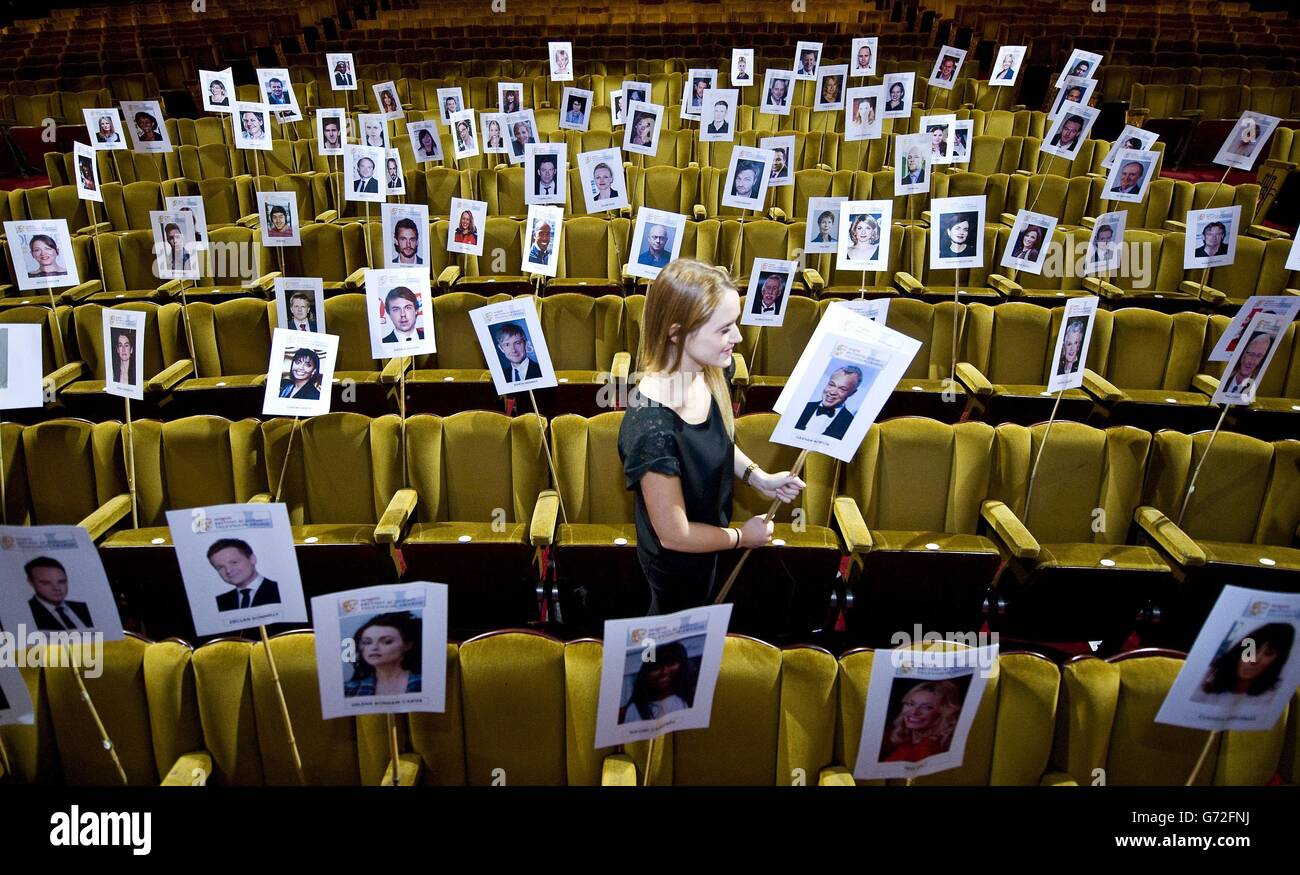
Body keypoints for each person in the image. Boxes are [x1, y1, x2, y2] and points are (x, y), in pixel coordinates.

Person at [618, 259, 804, 613]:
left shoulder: (711, 371)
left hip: (713, 546)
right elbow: (676, 535)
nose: (737, 338)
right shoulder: (651, 427)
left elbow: (712, 442)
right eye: (724, 329)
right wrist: (740, 538)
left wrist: (757, 477)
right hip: (678, 568)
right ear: (676, 333)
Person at [1192, 623, 1294, 704]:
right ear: (1239, 651)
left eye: (1268, 653)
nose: (1254, 660)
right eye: (1251, 650)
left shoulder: (1271, 697)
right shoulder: (1204, 679)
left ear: (1277, 661)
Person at [344, 612, 423, 697]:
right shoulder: (348, 689)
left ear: (408, 645)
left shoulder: (427, 683)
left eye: (387, 642)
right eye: (367, 642)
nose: (374, 647)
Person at [882, 680, 962, 762]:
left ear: (942, 713)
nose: (914, 712)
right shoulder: (908, 740)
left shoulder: (929, 746)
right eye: (910, 704)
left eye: (927, 707)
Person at [619, 641, 696, 722]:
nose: (664, 672)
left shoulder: (692, 700)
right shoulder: (634, 710)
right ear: (646, 673)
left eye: (671, 663)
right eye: (655, 667)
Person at [209, 538, 281, 612]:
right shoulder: (219, 602)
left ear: (252, 559)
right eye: (220, 567)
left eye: (234, 562)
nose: (228, 570)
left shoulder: (281, 590)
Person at [24, 557, 93, 632]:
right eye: (46, 583)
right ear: (31, 582)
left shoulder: (83, 607)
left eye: (61, 581)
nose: (57, 588)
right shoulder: (26, 613)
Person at [794, 365, 862, 438]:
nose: (832, 392)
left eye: (842, 389)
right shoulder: (802, 407)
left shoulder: (851, 424)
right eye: (831, 385)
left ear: (852, 393)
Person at [1222, 331, 1272, 396]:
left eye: (1258, 356)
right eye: (1251, 354)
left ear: (1261, 361)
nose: (1252, 361)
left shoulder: (1256, 390)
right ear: (1243, 355)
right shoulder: (1224, 378)